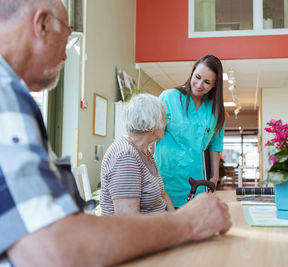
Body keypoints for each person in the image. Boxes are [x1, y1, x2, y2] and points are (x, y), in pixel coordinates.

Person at [0, 1, 231, 266]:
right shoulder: (7, 99)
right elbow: (52, 249)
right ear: (41, 25)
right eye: (65, 39)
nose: (65, 56)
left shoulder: (17, 101)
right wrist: (187, 222)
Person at [154, 55, 225, 208]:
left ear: (214, 86)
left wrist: (215, 176)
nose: (199, 85)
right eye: (197, 77)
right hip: (165, 179)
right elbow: (150, 135)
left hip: (194, 183)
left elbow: (215, 145)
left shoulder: (215, 111)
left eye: (207, 82)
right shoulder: (168, 97)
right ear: (192, 73)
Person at [100, 93, 175, 215]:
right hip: (137, 233)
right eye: (164, 118)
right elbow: (127, 219)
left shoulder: (144, 150)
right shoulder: (126, 157)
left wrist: (176, 219)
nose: (166, 123)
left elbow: (162, 193)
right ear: (150, 125)